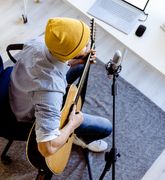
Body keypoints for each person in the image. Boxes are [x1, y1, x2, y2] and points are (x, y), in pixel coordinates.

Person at [9, 17, 112, 157]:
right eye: (84, 44)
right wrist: (72, 125)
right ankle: (79, 138)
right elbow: (47, 148)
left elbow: (51, 62)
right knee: (106, 127)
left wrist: (76, 60)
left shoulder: (41, 41)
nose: (88, 44)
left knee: (82, 64)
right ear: (71, 53)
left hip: (21, 86)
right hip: (28, 111)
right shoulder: (50, 91)